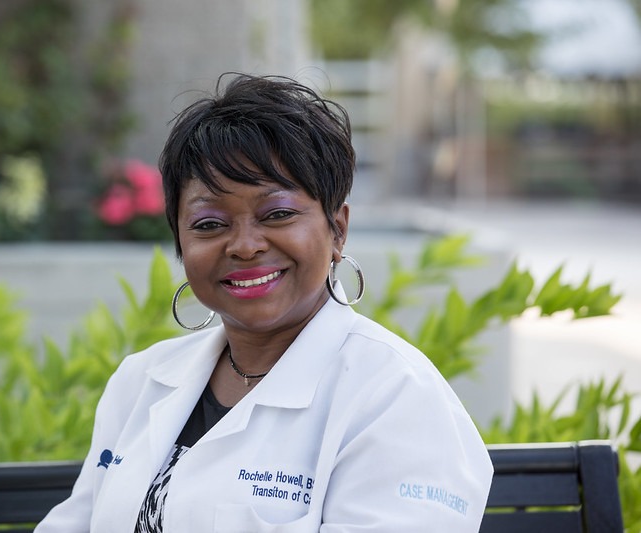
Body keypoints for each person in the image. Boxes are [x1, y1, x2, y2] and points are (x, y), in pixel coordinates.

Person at [35, 73, 493, 532]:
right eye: (210, 223)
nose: (245, 246)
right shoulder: (141, 381)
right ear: (179, 239)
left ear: (337, 229)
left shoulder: (396, 398)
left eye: (277, 214)